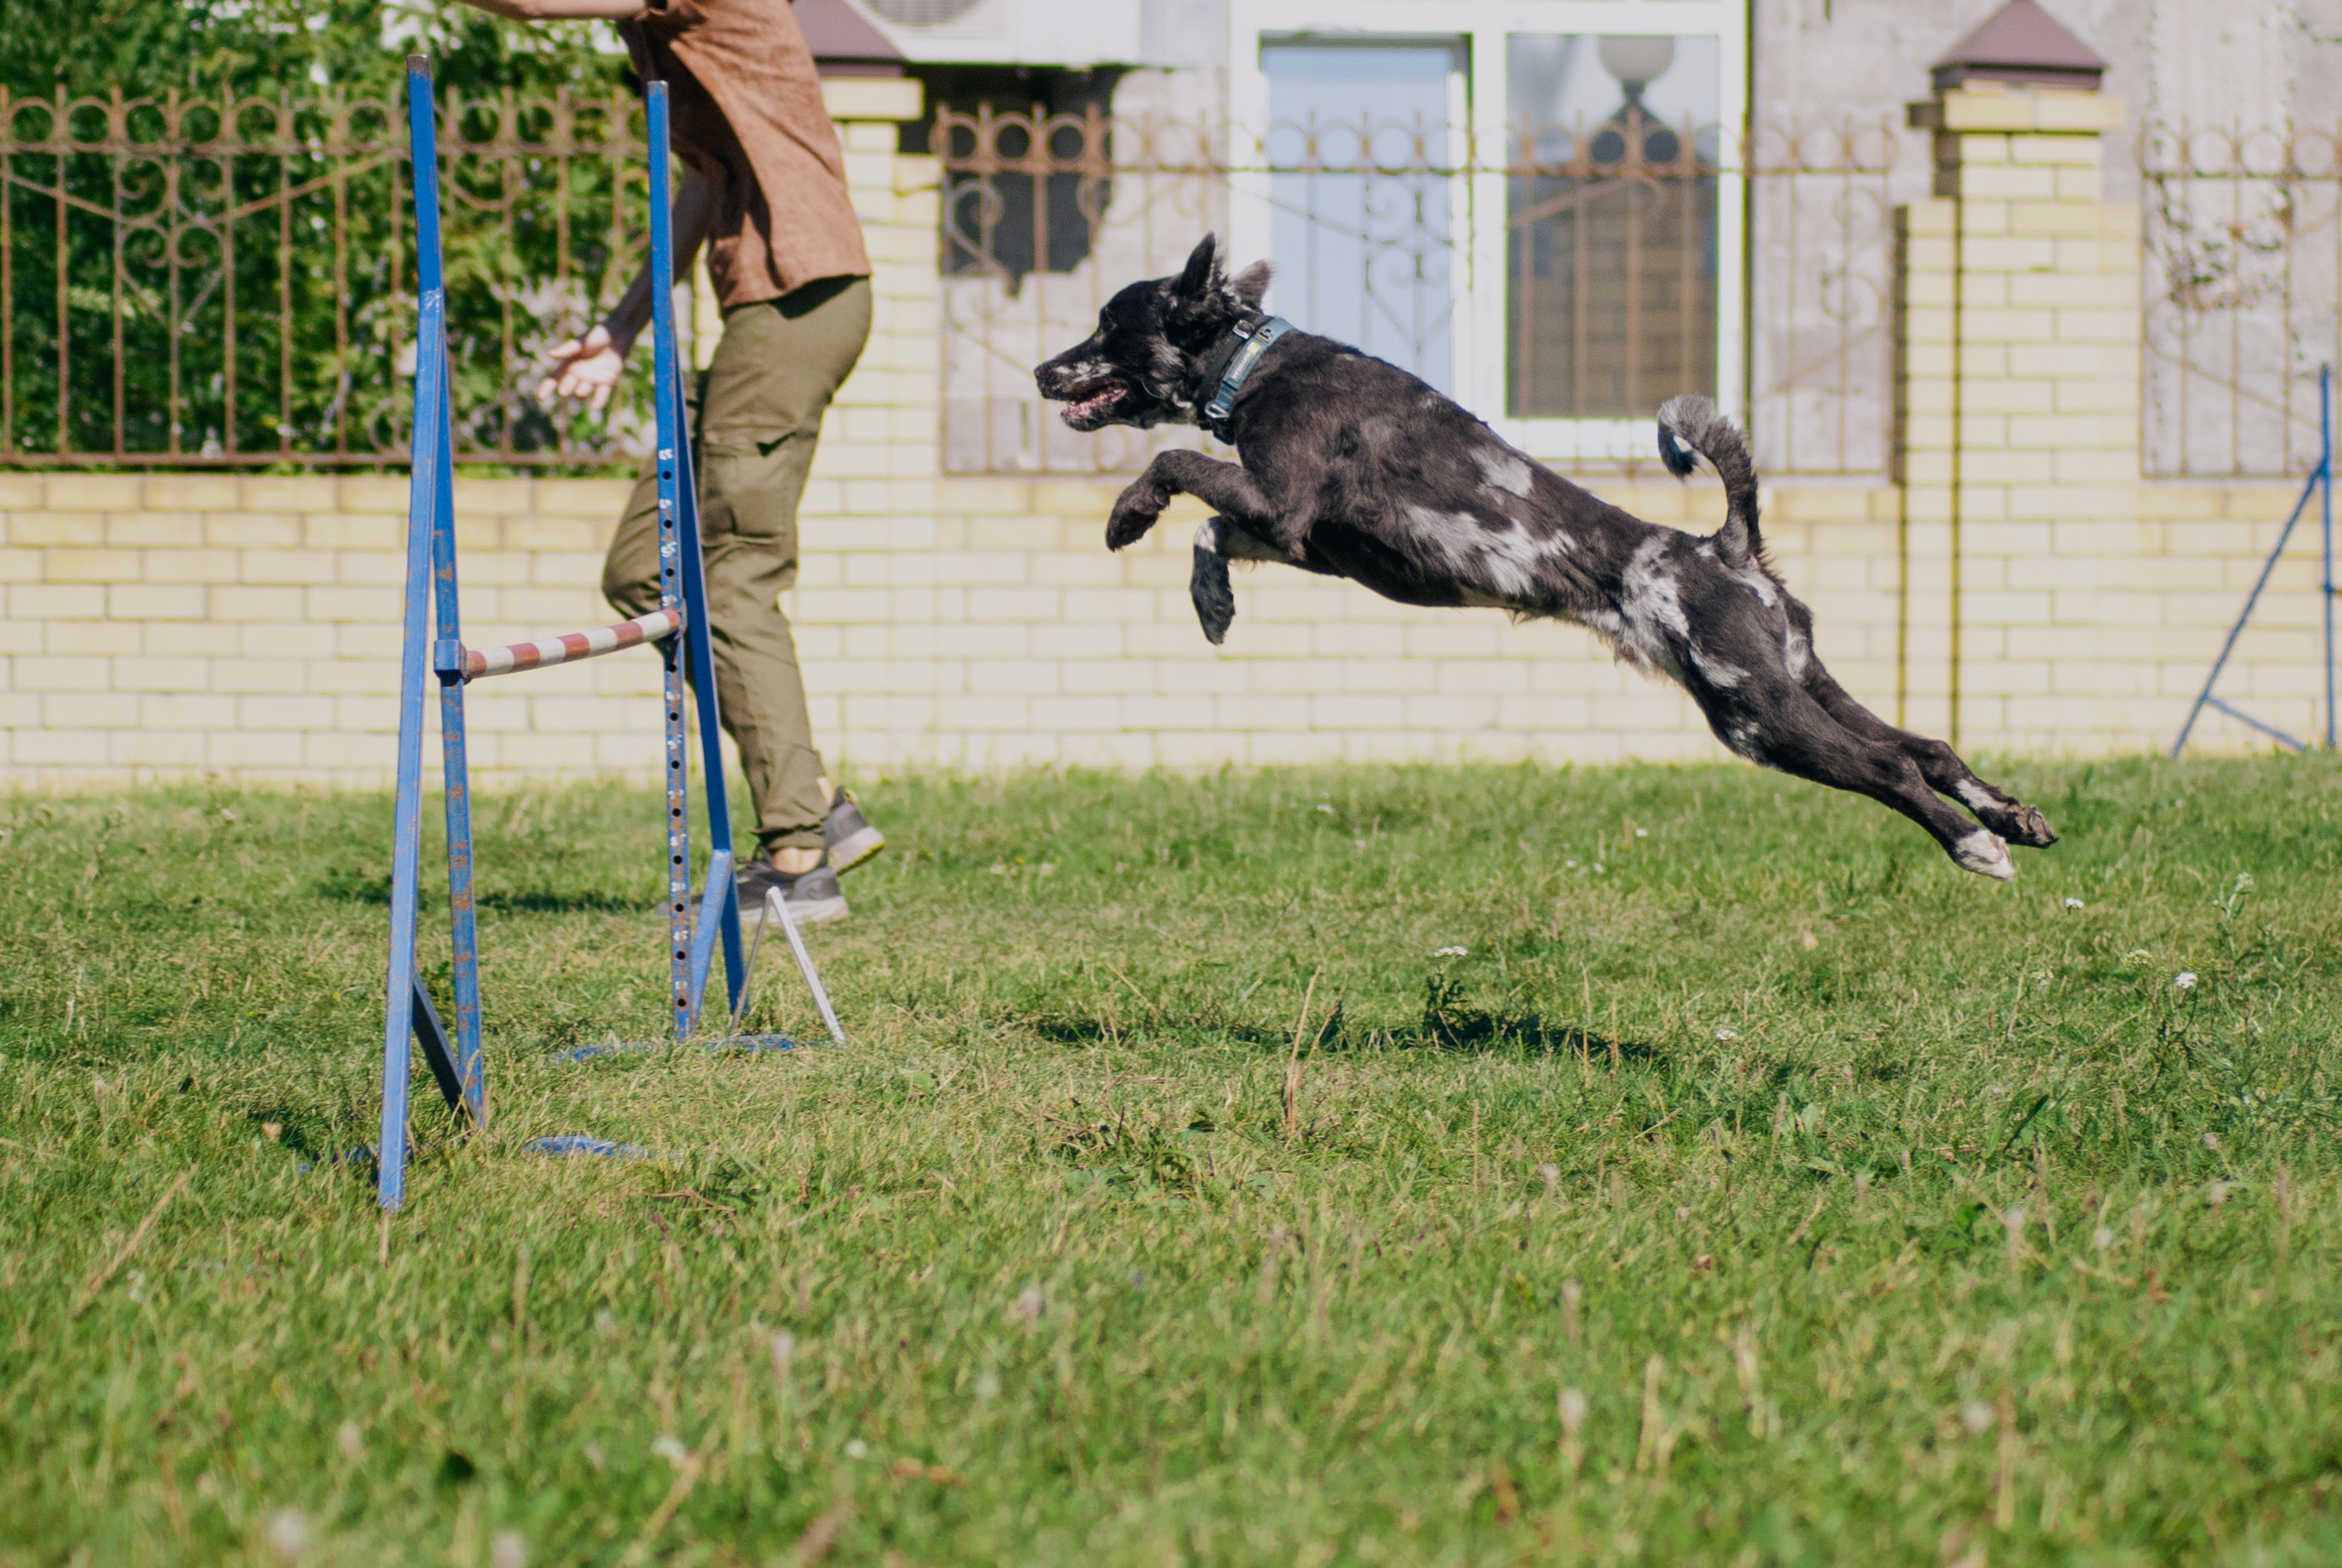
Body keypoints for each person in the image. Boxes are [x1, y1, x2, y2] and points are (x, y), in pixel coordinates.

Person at [457, 0, 883, 923]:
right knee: (645, 571)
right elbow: (701, 185)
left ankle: (799, 857)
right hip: (765, 308)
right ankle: (816, 796)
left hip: (801, 304)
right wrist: (619, 328)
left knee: (731, 577)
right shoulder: (657, 29)